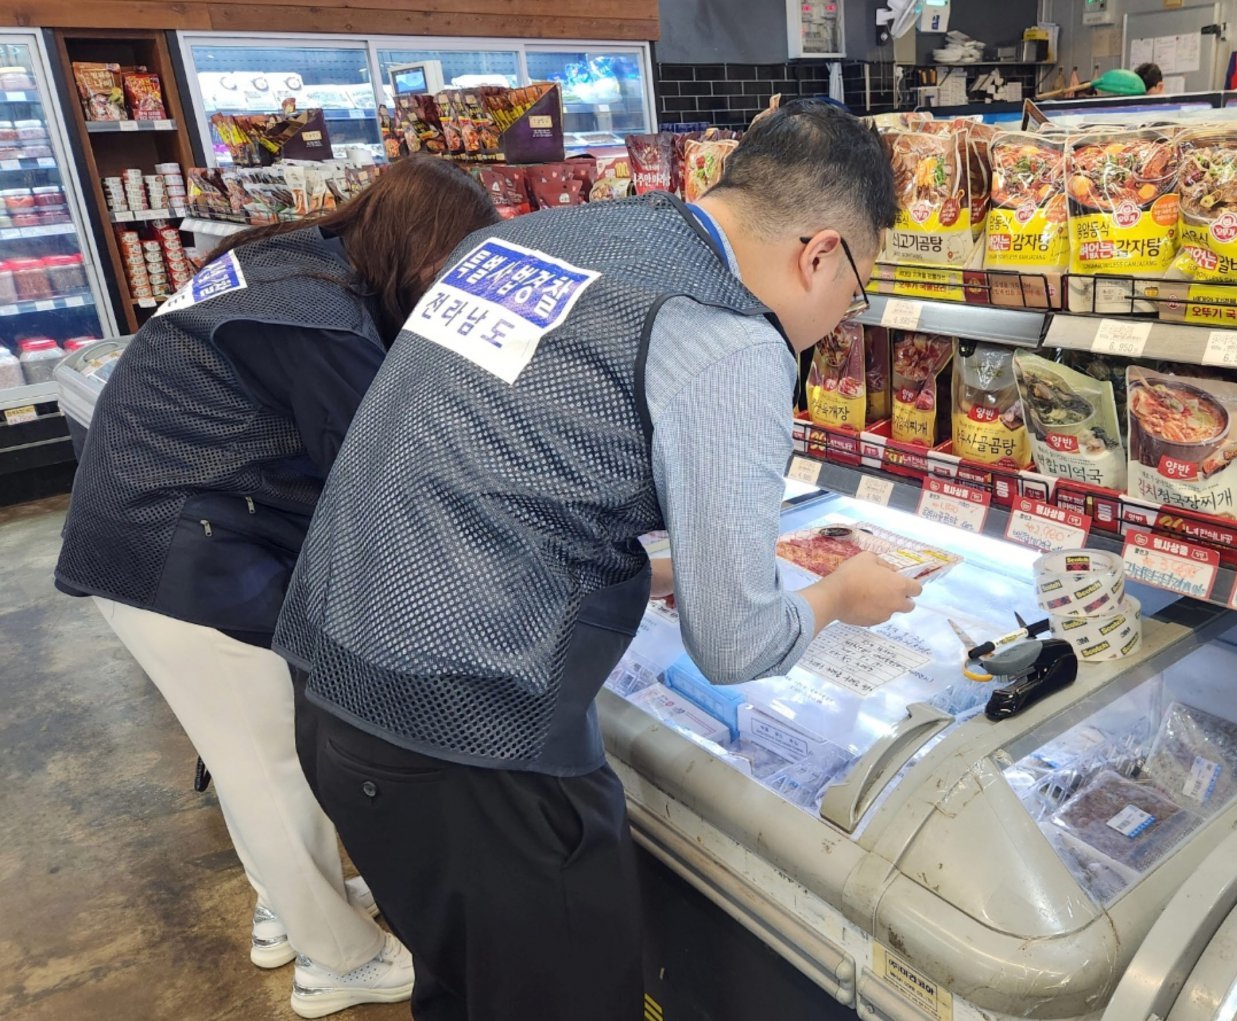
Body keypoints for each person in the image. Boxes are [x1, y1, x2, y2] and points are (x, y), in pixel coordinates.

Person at [275, 99, 920, 1020]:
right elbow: (735, 648)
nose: (841, 317)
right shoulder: (731, 339)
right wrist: (837, 594)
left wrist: (654, 572)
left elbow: (493, 456)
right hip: (474, 740)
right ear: (819, 253)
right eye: (855, 291)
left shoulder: (543, 235)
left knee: (461, 989)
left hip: (330, 680)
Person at [54, 156, 499, 1019]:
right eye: (454, 261)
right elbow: (378, 483)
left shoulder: (298, 257)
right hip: (177, 549)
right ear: (419, 243)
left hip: (158, 523)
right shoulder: (319, 318)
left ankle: (286, 912)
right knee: (270, 763)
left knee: (247, 749)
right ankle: (339, 960)